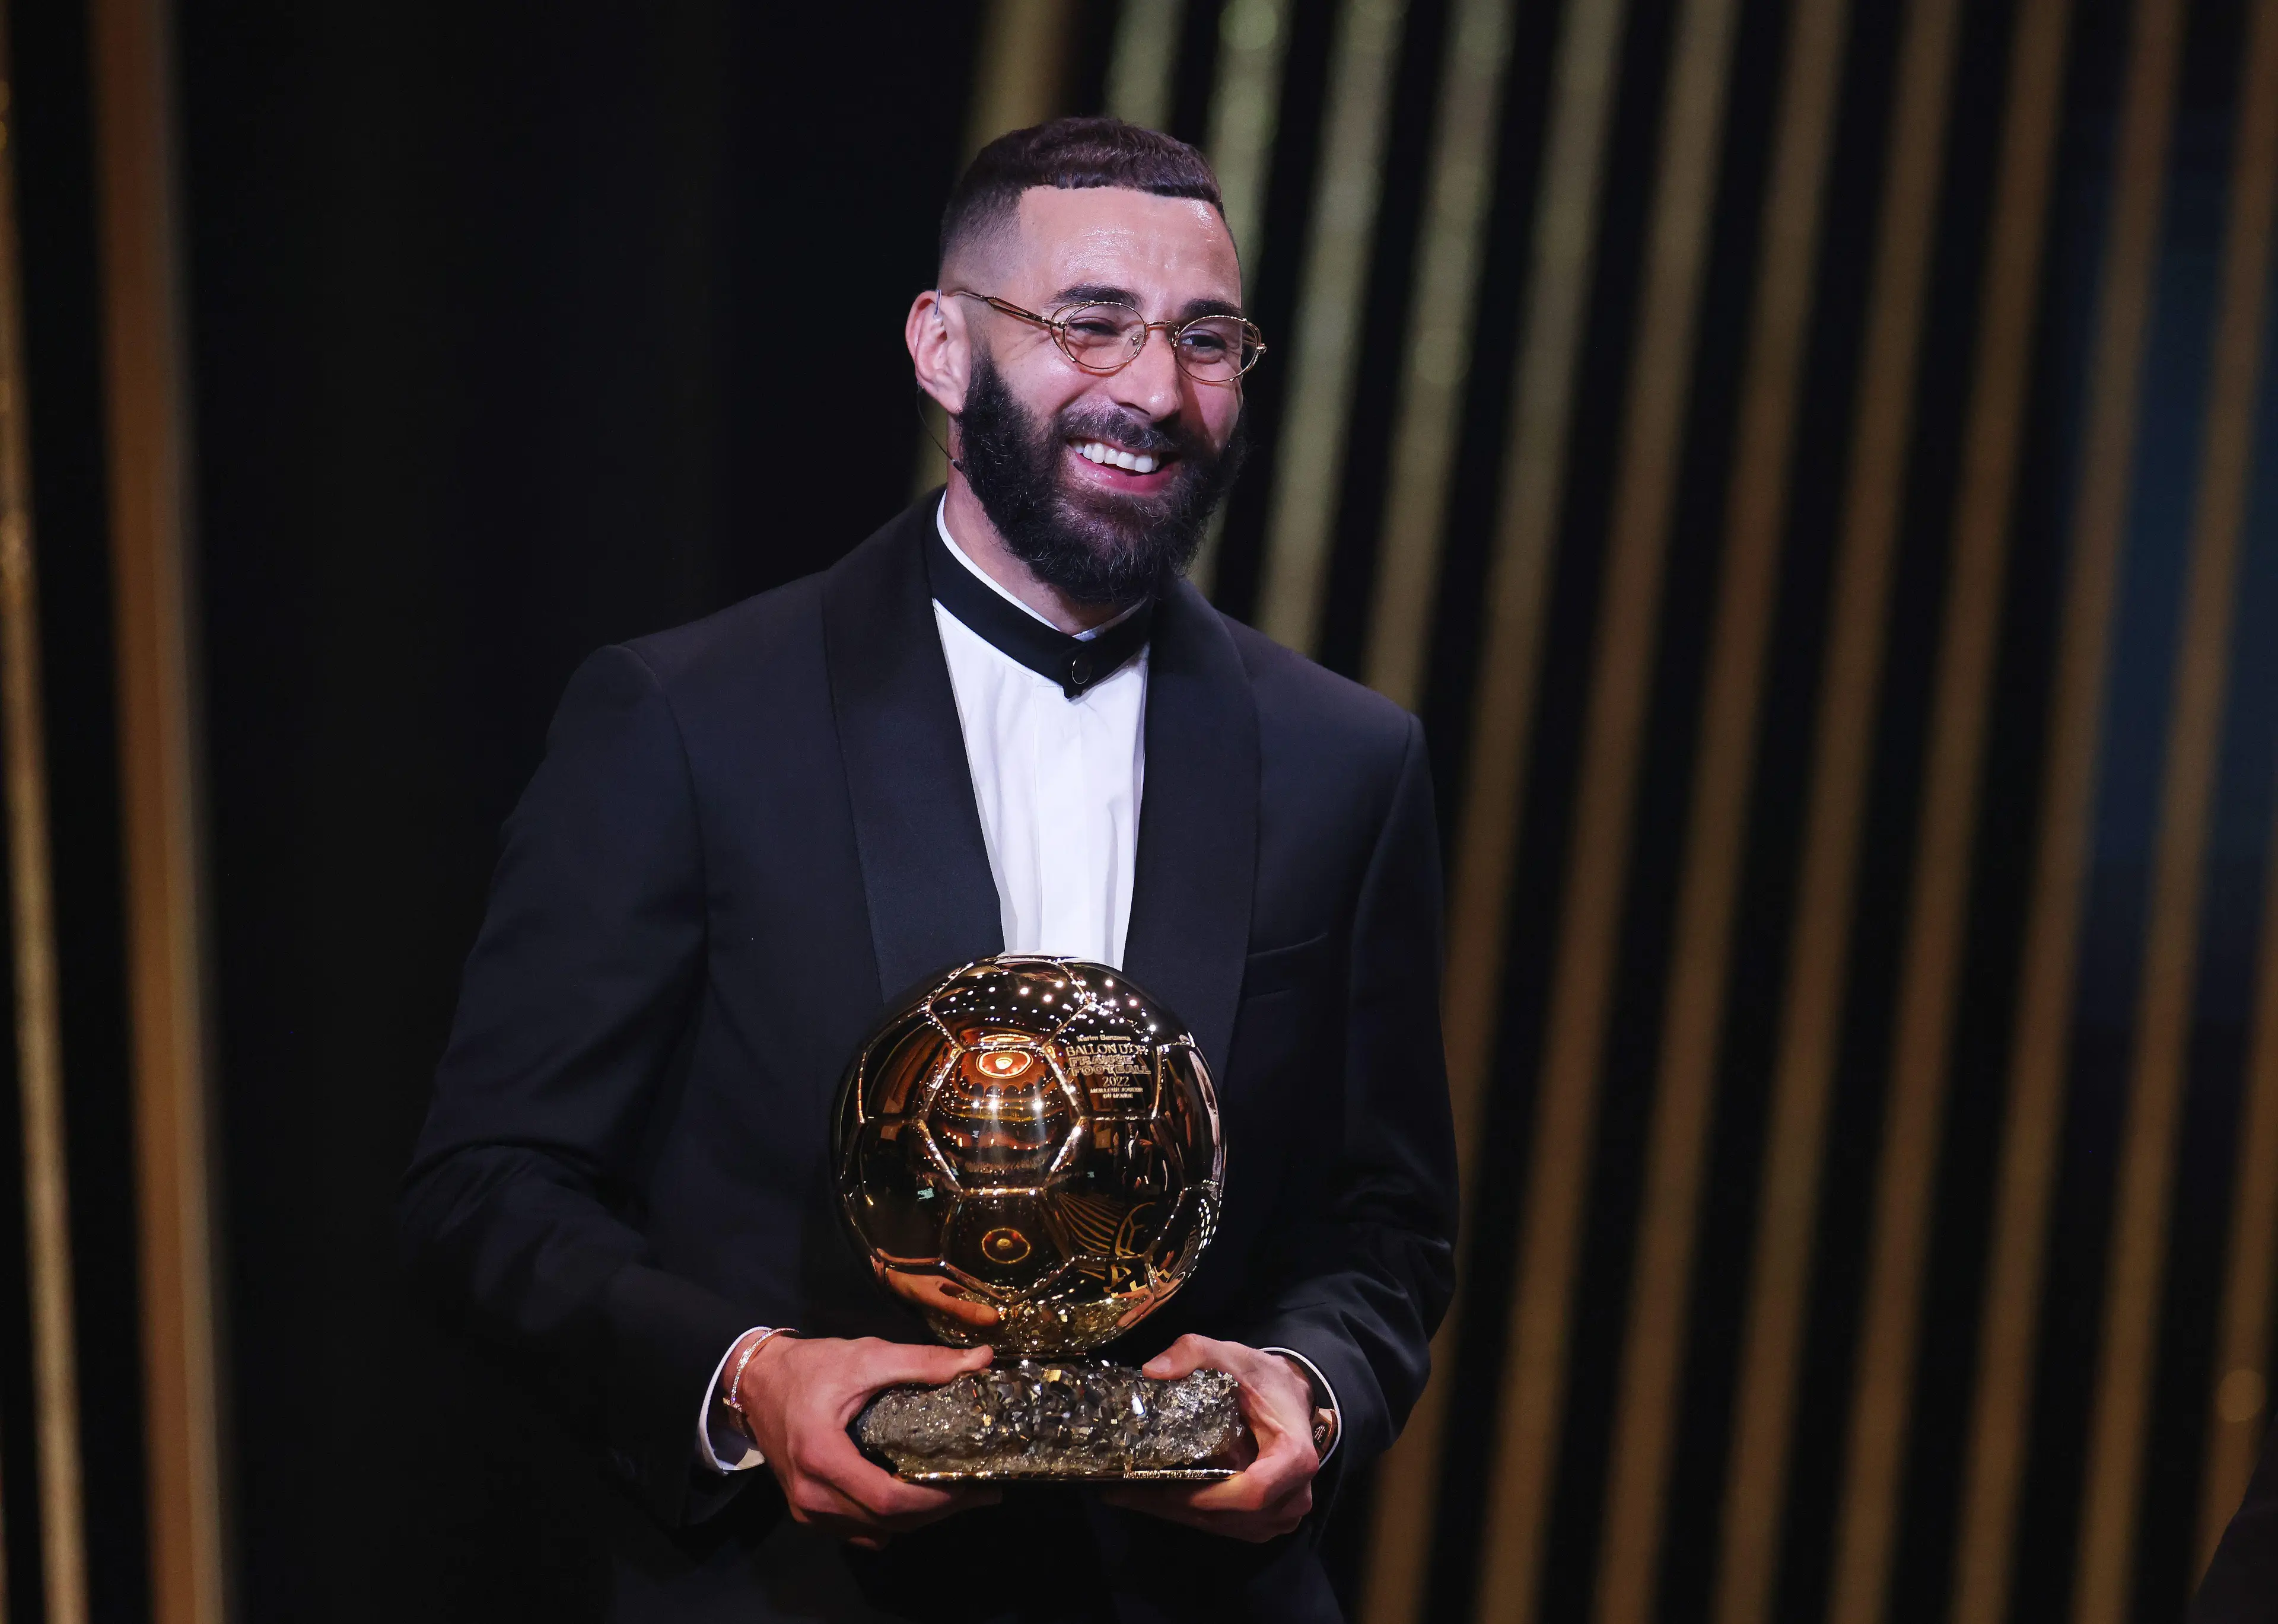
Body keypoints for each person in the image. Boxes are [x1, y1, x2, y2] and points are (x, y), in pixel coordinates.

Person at [400, 116, 1456, 1622]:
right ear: (942, 348)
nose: (1152, 391)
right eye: (1090, 324)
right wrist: (752, 1378)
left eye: (1206, 340)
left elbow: (1388, 1221)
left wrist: (1309, 1386)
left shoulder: (1352, 761)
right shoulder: (688, 720)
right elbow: (488, 1193)